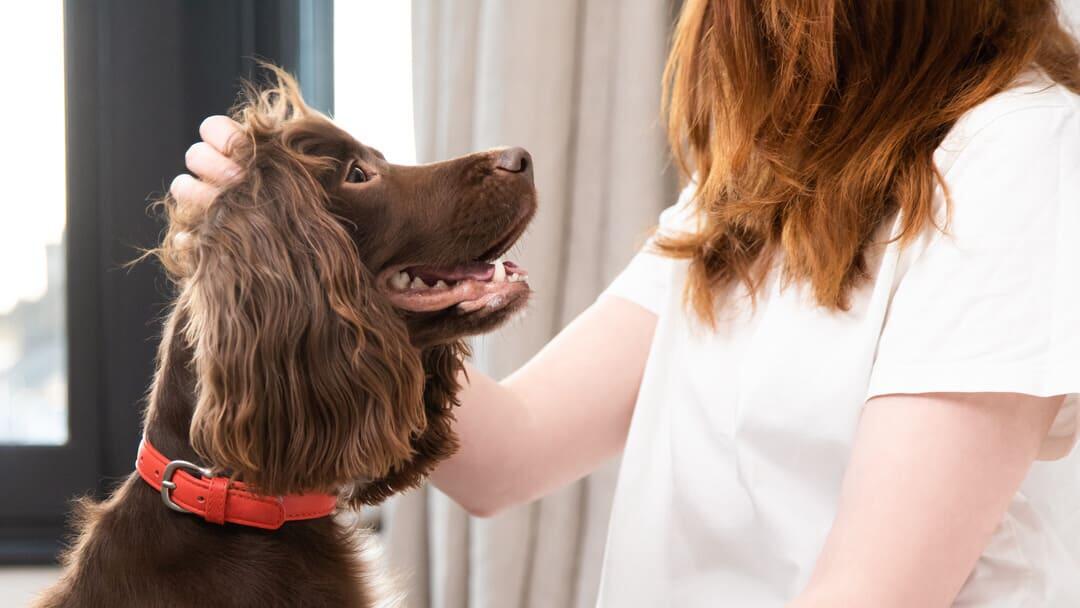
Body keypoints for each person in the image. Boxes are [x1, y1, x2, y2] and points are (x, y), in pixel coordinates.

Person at [169, 1, 1080, 606]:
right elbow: (507, 454)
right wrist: (301, 266)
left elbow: (870, 593)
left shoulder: (1020, 155)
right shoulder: (765, 181)